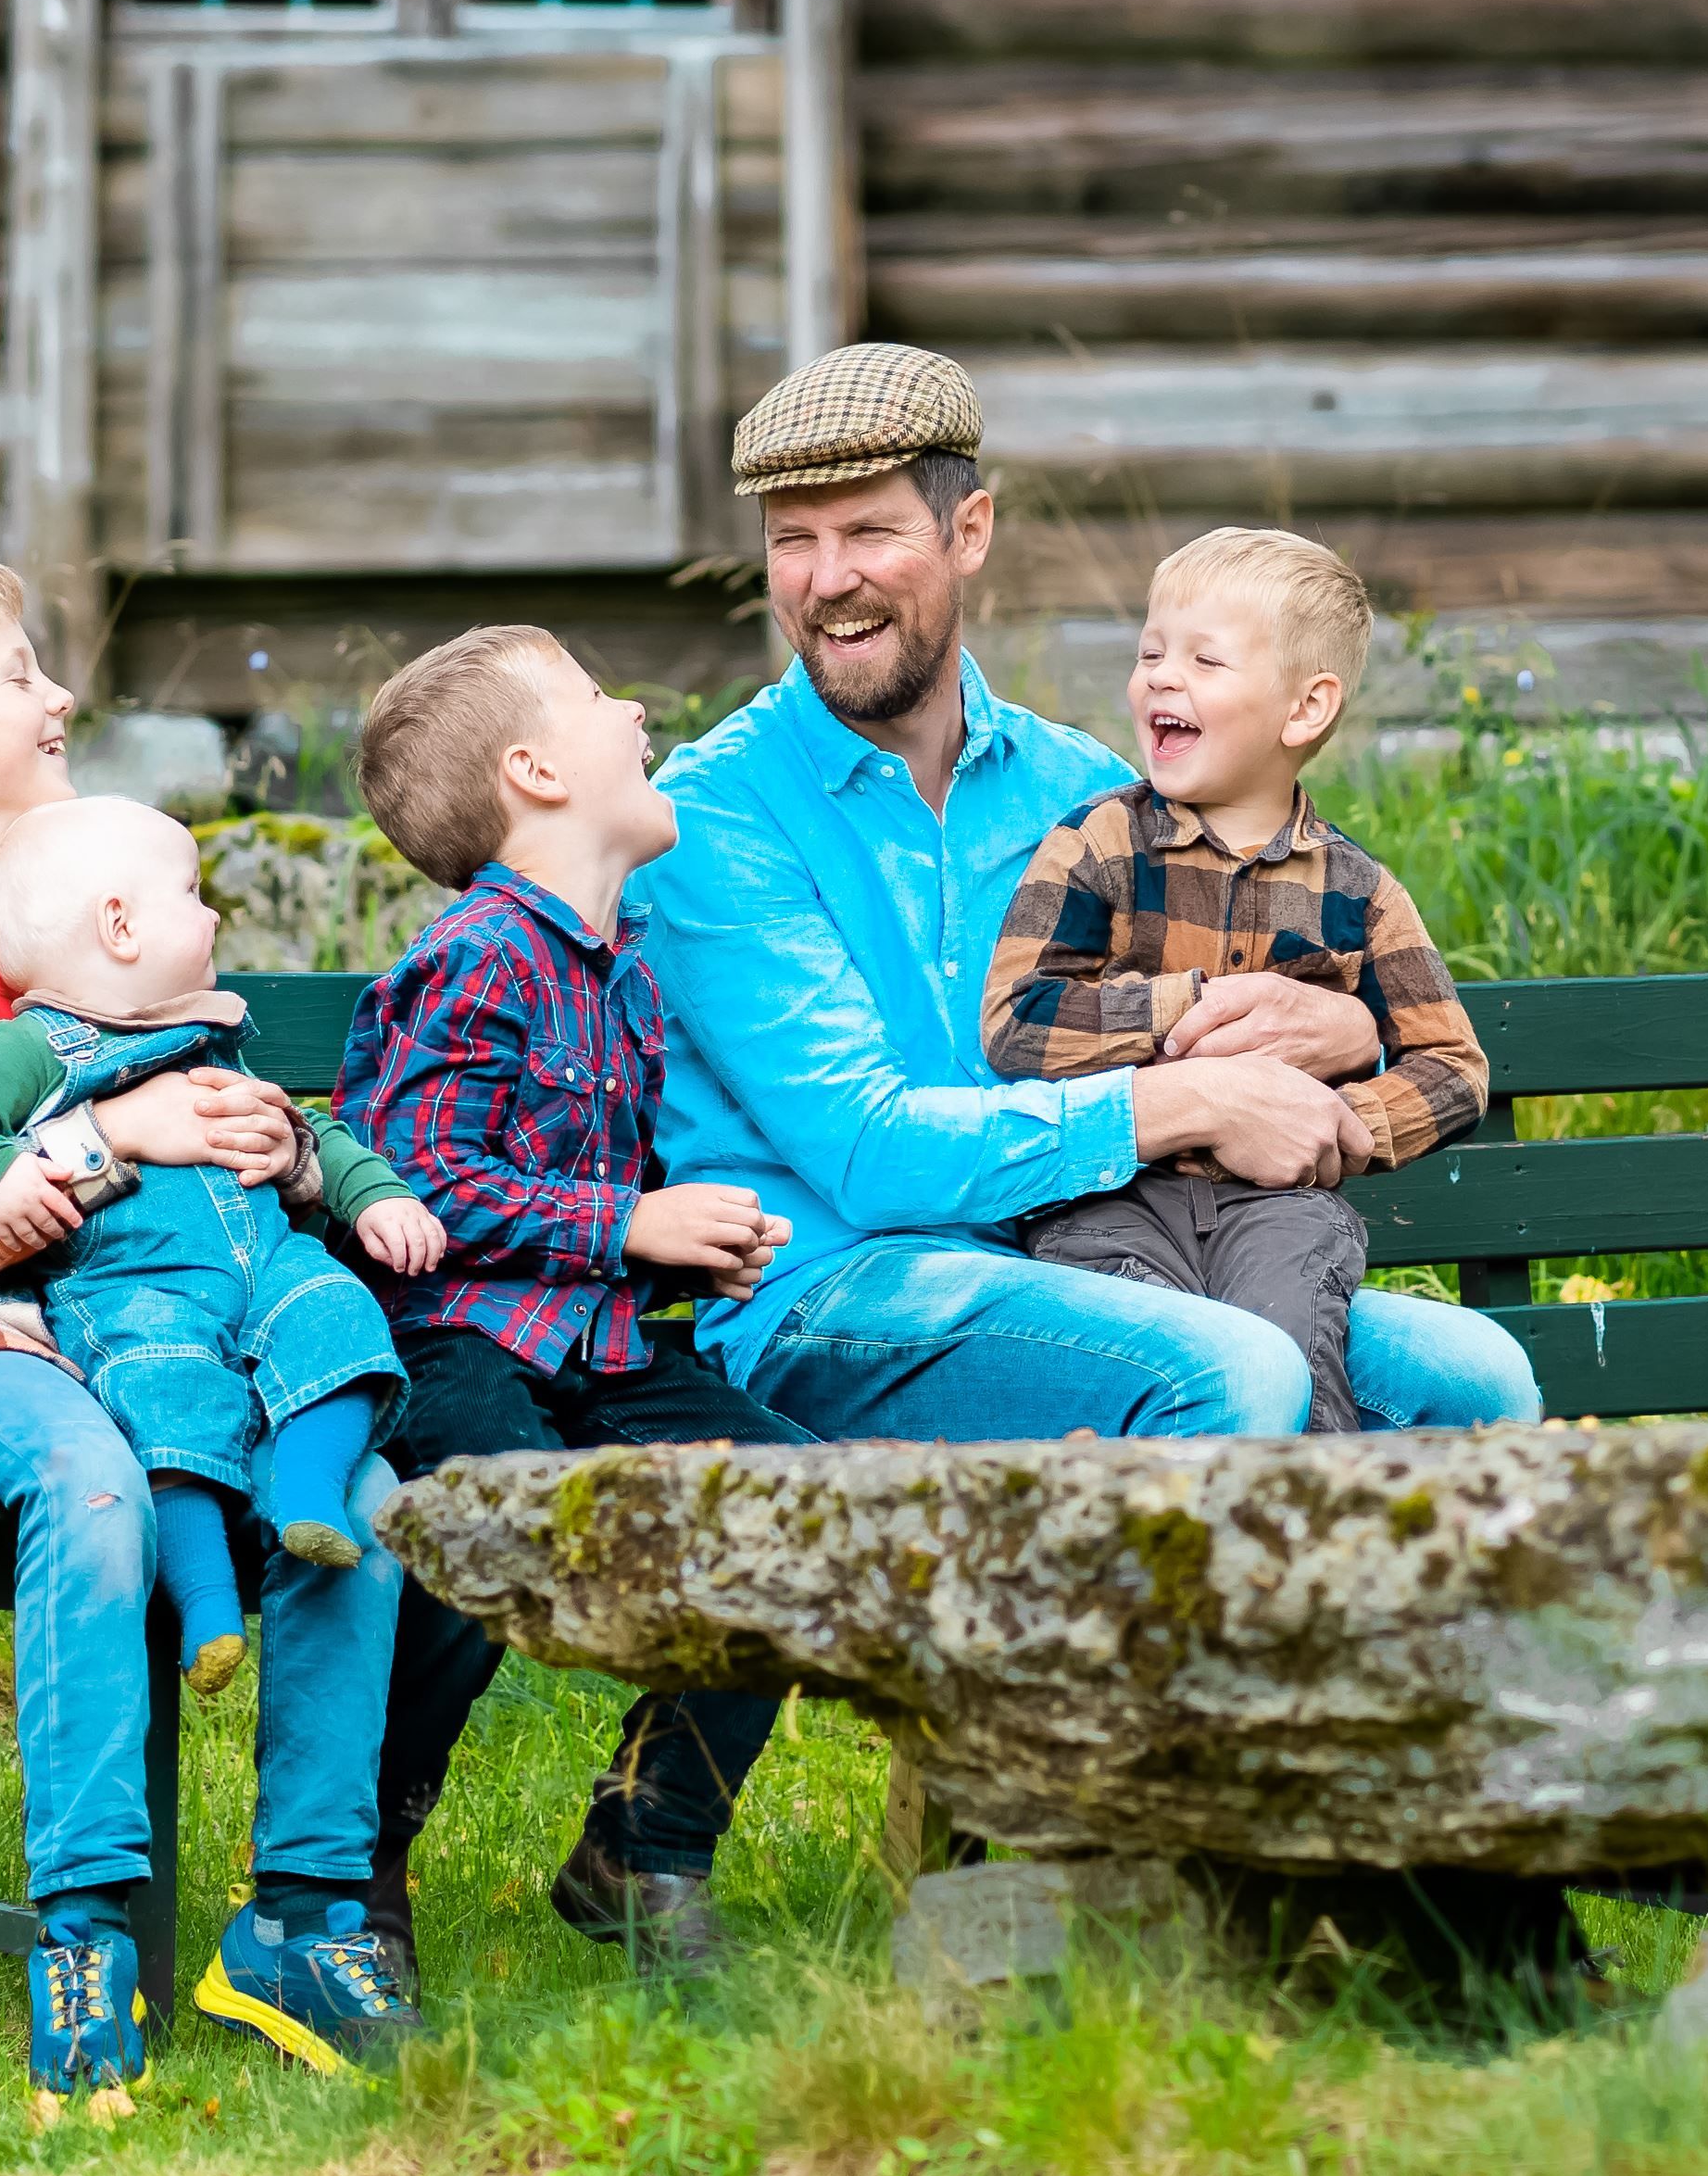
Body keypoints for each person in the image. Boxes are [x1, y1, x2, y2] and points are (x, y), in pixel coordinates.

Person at [0, 558, 410, 2088]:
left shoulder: (100, 907)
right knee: (89, 1473)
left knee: (365, 1500)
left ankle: (301, 1911)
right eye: (20, 672)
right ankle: (85, 1925)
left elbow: (234, 1145)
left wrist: (279, 1149)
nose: (62, 696)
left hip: (142, 1332)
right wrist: (113, 1138)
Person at [635, 343, 1544, 1446]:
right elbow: (867, 1154)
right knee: (1232, 1372)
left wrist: (1347, 1026)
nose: (828, 580)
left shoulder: (1080, 787)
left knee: (1474, 1380)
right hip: (834, 1297)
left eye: (869, 532)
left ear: (969, 532)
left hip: (1100, 1252)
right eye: (794, 541)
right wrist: (1190, 1104)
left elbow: (1241, 974)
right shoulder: (713, 814)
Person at [334, 623, 818, 1983]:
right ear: (536, 771)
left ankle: (644, 1844)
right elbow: (419, 1178)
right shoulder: (476, 955)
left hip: (593, 1347)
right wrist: (626, 1224)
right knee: (488, 1516)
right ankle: (361, 1853)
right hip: (455, 1345)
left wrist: (675, 1254)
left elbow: (573, 1194)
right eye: (603, 695)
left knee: (798, 1501)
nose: (640, 709)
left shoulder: (622, 975)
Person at [0, 795, 445, 1692]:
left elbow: (303, 1127)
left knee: (343, 1314)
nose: (213, 913)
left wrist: (371, 1193)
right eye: (191, 892)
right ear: (119, 926)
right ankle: (208, 1606)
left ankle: (308, 1492)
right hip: (138, 1288)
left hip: (269, 1265)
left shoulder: (210, 1037)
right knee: (162, 1388)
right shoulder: (36, 1046)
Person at [982, 527, 1487, 1434]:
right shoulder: (1099, 844)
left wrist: (1340, 1123)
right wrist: (1185, 1005)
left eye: (1204, 660)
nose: (1162, 679)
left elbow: (1452, 1067)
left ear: (1305, 709)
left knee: (1295, 1358)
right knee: (1171, 1366)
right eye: (1151, 654)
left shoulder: (1357, 891)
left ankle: (1315, 1520)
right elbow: (1019, 1019)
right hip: (1110, 1197)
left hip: (1276, 1207)